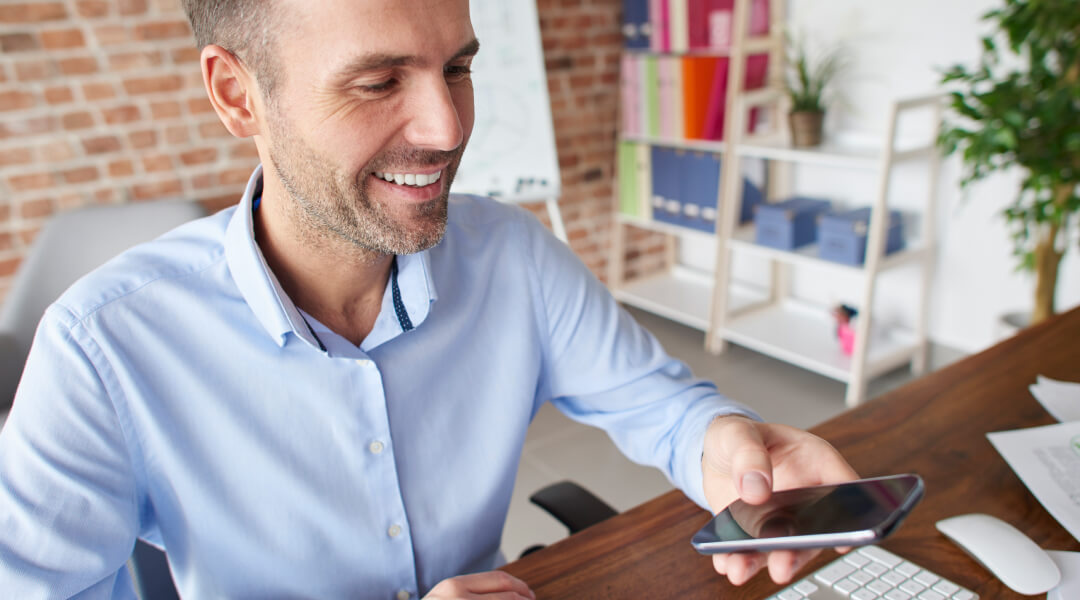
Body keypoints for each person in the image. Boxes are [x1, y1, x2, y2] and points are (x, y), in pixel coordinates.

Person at [0, 0, 858, 597]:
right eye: (379, 82)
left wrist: (729, 449)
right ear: (237, 94)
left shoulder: (512, 255)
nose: (448, 128)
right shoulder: (100, 349)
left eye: (458, 67)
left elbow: (661, 408)